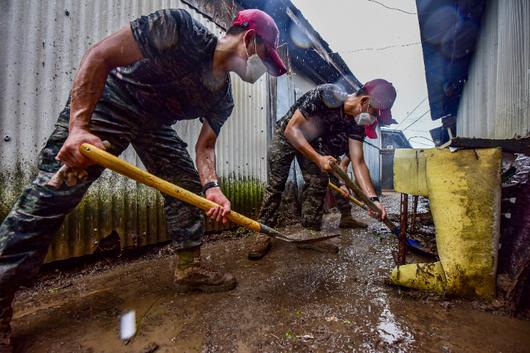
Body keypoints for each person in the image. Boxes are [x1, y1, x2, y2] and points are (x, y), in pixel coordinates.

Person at [0, 8, 286, 351]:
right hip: (114, 100)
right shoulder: (180, 30)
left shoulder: (222, 98)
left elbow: (205, 147)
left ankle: (189, 267)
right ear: (250, 39)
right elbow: (101, 56)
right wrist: (78, 127)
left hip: (153, 124)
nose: (263, 70)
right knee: (53, 192)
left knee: (184, 183)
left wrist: (213, 188)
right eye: (265, 58)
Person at [248, 80, 396, 260]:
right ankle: (263, 232)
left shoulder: (356, 123)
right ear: (365, 101)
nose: (374, 120)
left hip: (312, 141)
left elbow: (358, 161)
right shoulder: (329, 94)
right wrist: (318, 158)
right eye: (376, 114)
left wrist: (373, 200)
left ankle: (310, 233)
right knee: (276, 184)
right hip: (287, 134)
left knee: (318, 181)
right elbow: (291, 130)